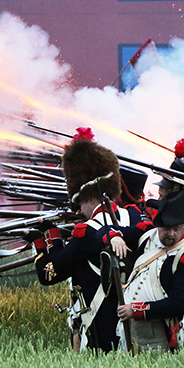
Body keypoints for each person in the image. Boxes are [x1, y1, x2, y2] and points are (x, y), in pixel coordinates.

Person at [30, 128, 138, 353]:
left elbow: (48, 273)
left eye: (79, 204)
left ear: (87, 198)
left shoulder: (85, 232)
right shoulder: (135, 216)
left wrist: (45, 239)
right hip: (137, 327)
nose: (79, 210)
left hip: (101, 332)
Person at [103, 189, 184, 352]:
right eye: (165, 228)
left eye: (176, 229)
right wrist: (114, 237)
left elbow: (178, 304)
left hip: (160, 337)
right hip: (127, 332)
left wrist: (135, 310)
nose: (170, 234)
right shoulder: (146, 235)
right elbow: (103, 231)